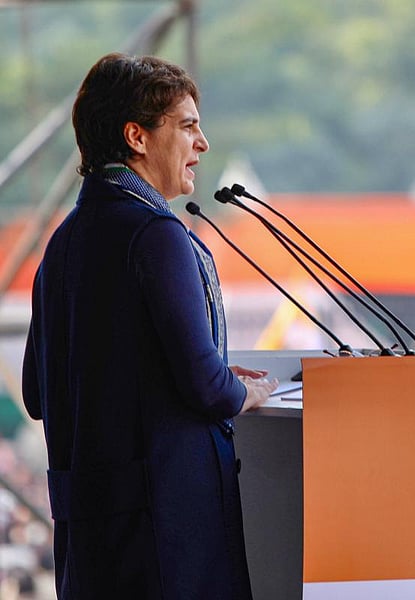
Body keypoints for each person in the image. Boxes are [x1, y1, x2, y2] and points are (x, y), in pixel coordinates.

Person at [20, 53, 278, 599]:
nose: (202, 144)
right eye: (187, 126)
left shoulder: (63, 242)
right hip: (168, 534)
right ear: (137, 136)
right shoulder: (156, 234)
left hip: (90, 535)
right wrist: (248, 389)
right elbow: (208, 390)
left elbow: (38, 394)